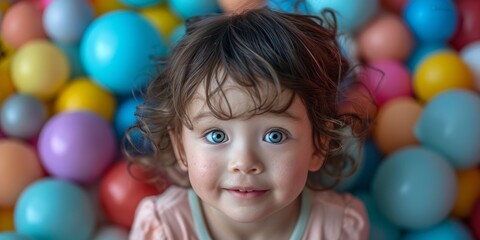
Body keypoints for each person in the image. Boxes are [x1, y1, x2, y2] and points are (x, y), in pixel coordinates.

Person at [126, 6, 371, 240]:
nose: (244, 163)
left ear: (318, 145)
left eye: (275, 135)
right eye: (216, 136)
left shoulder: (339, 229)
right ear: (181, 148)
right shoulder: (164, 229)